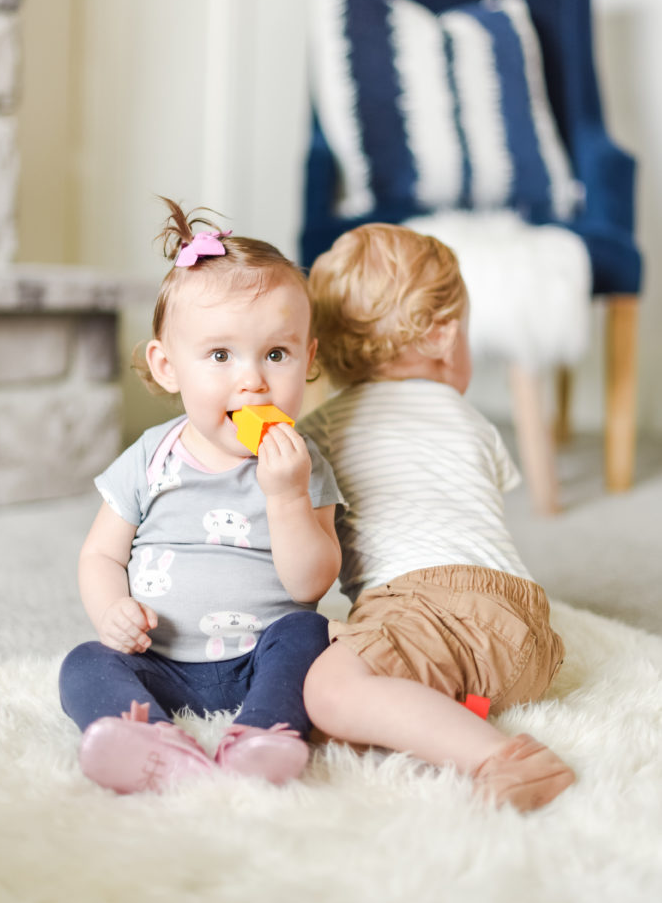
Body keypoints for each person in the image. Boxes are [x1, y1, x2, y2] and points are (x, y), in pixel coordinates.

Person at [59, 199, 343, 793]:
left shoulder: (301, 462)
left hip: (259, 658)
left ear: (308, 359)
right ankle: (149, 739)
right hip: (157, 659)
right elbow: (101, 556)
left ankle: (266, 731)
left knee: (309, 635)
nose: (252, 379)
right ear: (168, 367)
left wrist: (287, 497)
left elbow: (311, 585)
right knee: (84, 663)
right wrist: (113, 611)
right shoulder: (151, 456)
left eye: (276, 354)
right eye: (220, 355)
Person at [300, 223, 575, 812]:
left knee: (328, 691)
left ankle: (503, 760)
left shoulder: (320, 432)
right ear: (447, 337)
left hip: (427, 603)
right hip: (528, 627)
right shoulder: (471, 420)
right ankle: (456, 705)